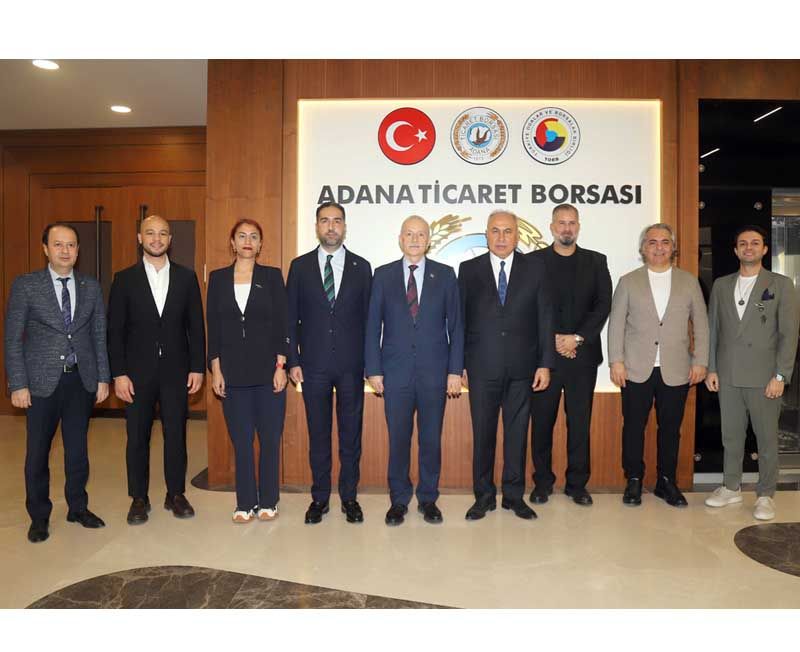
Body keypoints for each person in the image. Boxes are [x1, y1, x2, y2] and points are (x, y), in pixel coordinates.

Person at [4, 223, 110, 543]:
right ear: (45, 249)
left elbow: (98, 336)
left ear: (78, 250)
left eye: (71, 245)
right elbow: (13, 338)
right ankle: (39, 516)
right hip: (40, 384)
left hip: (80, 381)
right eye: (58, 244)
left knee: (77, 451)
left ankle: (78, 507)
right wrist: (18, 383)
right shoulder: (26, 285)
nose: (65, 250)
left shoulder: (91, 287)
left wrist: (103, 377)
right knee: (38, 453)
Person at [107, 215, 206, 525]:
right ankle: (139, 497)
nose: (156, 239)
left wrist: (197, 367)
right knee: (137, 437)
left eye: (163, 233)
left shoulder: (186, 277)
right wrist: (118, 373)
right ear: (140, 238)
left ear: (170, 239)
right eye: (150, 233)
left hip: (177, 372)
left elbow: (196, 327)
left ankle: (175, 494)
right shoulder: (124, 279)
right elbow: (114, 331)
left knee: (176, 435)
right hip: (136, 374)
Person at [365, 216, 463, 526]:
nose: (415, 239)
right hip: (395, 374)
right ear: (400, 238)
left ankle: (428, 498)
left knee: (431, 440)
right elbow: (372, 326)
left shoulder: (445, 275)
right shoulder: (382, 276)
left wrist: (454, 371)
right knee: (399, 440)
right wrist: (373, 369)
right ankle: (398, 500)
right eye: (409, 233)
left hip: (435, 374)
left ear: (429, 240)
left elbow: (456, 326)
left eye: (421, 234)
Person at [458, 210, 555, 521]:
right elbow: (460, 321)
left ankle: (514, 497)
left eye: (508, 231)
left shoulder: (536, 269)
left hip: (522, 368)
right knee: (483, 435)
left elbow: (545, 318)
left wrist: (545, 364)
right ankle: (483, 497)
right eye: (495, 231)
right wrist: (459, 364)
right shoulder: (468, 269)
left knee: (517, 435)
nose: (501, 237)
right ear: (487, 234)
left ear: (517, 235)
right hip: (481, 367)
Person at [607, 223, 709, 507]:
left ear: (673, 247)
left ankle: (667, 481)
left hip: (676, 369)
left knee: (671, 429)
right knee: (633, 427)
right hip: (635, 367)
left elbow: (701, 324)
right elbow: (616, 324)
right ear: (643, 248)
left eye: (665, 242)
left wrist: (701, 361)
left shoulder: (689, 282)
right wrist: (616, 361)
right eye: (652, 242)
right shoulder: (628, 282)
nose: (659, 247)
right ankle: (634, 479)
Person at [704, 225, 800, 521]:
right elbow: (713, 330)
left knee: (766, 438)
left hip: (765, 377)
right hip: (729, 375)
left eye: (755, 243)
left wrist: (781, 375)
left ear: (764, 249)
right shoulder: (721, 285)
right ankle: (731, 487)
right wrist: (711, 368)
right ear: (736, 250)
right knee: (731, 436)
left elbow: (788, 335)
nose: (749, 247)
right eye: (743, 243)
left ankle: (765, 494)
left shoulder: (780, 285)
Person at [287, 202, 372, 524]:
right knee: (319, 436)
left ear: (344, 227)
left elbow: (369, 320)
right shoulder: (300, 267)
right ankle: (319, 498)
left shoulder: (362, 267)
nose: (331, 226)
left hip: (352, 366)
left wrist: (371, 364)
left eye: (337, 221)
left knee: (351, 437)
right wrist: (293, 360)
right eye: (325, 221)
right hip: (313, 366)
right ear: (317, 227)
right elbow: (289, 319)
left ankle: (349, 497)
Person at [528, 204, 612, 506]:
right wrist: (553, 340)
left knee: (579, 424)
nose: (567, 228)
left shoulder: (596, 261)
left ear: (578, 227)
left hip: (582, 357)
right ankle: (542, 483)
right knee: (542, 424)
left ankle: (577, 485)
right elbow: (528, 306)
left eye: (572, 223)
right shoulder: (533, 262)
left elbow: (603, 304)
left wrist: (576, 338)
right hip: (544, 360)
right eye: (561, 223)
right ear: (552, 227)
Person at [206, 219, 288, 523]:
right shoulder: (218, 279)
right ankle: (245, 502)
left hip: (268, 373)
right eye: (241, 236)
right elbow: (213, 328)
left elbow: (282, 324)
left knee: (269, 440)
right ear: (232, 242)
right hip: (233, 374)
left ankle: (269, 500)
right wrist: (216, 370)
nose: (247, 241)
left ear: (261, 244)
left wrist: (281, 366)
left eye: (254, 236)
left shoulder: (272, 276)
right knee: (241, 442)